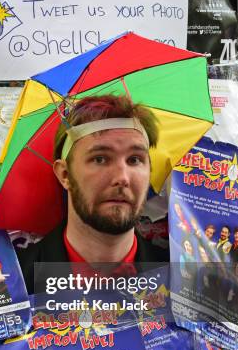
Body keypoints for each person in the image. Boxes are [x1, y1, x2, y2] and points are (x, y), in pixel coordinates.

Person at [16, 95, 168, 294]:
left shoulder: (182, 282)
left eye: (134, 160)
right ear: (65, 174)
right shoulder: (12, 285)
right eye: (100, 159)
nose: (122, 178)